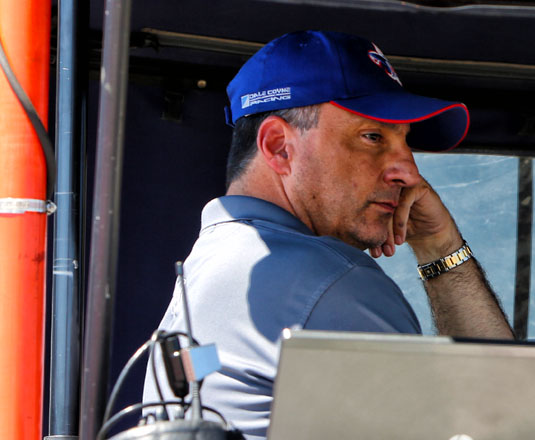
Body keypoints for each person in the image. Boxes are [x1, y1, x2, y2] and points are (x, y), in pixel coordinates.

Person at [143, 30, 513, 439]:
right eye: (373, 137)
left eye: (405, 141)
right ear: (278, 146)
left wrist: (435, 243)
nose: (409, 172)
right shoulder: (331, 281)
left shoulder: (207, 266)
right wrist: (442, 248)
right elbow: (502, 417)